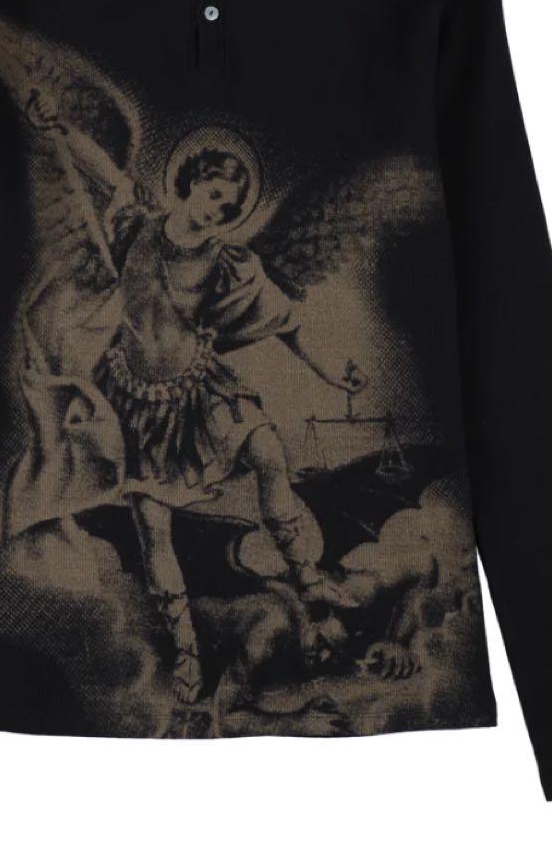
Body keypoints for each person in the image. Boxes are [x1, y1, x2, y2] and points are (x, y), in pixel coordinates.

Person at [92, 142, 367, 703]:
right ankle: (186, 651)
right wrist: (54, 127)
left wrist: (332, 373)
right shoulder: (134, 226)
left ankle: (310, 582)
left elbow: (287, 323)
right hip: (135, 402)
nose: (218, 210)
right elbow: (101, 171)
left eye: (229, 206)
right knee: (154, 525)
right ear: (190, 182)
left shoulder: (229, 264)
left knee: (267, 451)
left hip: (200, 390)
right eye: (214, 194)